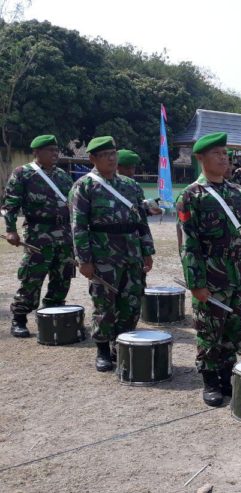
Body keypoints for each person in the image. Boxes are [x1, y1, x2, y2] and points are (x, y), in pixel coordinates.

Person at [177, 132, 241, 405]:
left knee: (234, 327)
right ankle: (210, 380)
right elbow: (188, 244)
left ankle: (227, 376)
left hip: (237, 274)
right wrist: (196, 282)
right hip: (212, 275)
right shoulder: (191, 196)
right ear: (201, 158)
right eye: (217, 154)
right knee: (209, 329)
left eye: (226, 153)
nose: (224, 158)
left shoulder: (237, 192)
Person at [71, 136, 155, 371]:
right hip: (102, 255)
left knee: (131, 300)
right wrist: (84, 259)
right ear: (92, 158)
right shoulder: (84, 186)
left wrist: (147, 250)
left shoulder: (130, 186)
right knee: (104, 303)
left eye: (113, 153)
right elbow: (78, 226)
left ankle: (123, 345)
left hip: (132, 253)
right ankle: (102, 349)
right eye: (105, 154)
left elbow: (141, 222)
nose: (111, 158)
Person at [3, 134, 74, 337]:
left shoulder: (62, 175)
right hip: (38, 235)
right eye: (50, 150)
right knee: (32, 277)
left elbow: (73, 205)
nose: (55, 153)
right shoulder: (23, 174)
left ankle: (52, 315)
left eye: (56, 150)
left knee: (62, 277)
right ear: (37, 152)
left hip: (64, 235)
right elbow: (11, 206)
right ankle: (19, 317)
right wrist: (10, 230)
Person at [117, 149, 163, 216]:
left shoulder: (135, 186)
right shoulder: (105, 186)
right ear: (116, 167)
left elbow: (139, 209)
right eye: (127, 168)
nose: (131, 172)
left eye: (133, 168)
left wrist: (149, 208)